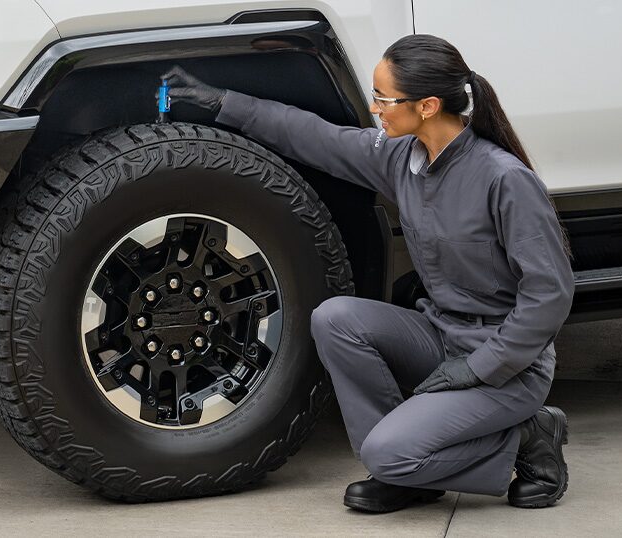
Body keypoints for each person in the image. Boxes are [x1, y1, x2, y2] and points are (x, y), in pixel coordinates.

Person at [162, 33, 574, 513]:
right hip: (443, 336)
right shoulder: (403, 157)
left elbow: (549, 296)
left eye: (383, 98)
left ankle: (527, 436)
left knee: (384, 453)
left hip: (507, 366)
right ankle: (406, 473)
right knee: (336, 318)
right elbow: (315, 136)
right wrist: (222, 102)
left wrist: (479, 367)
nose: (375, 108)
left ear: (428, 105)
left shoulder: (504, 179)